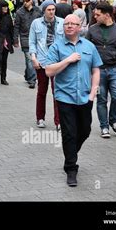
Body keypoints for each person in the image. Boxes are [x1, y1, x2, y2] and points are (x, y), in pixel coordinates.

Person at [45, 14, 102, 187]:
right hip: (65, 97)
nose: (69, 26)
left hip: (85, 97)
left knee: (84, 130)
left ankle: (71, 154)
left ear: (80, 27)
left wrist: (93, 93)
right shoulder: (56, 46)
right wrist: (68, 60)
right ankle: (71, 168)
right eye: (67, 23)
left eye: (73, 24)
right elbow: (49, 71)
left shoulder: (89, 46)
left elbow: (96, 70)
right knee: (69, 133)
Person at [86, 3, 116, 138]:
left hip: (114, 69)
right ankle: (104, 126)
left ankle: (113, 120)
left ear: (107, 15)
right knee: (101, 99)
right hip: (98, 71)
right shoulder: (92, 29)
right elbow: (86, 50)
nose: (95, 16)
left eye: (98, 14)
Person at [29, 0, 64, 130]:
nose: (51, 12)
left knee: (58, 93)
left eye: (53, 9)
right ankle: (40, 118)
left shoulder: (62, 22)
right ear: (43, 10)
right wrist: (33, 58)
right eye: (48, 10)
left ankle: (59, 121)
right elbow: (32, 42)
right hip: (42, 62)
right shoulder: (36, 23)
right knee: (42, 91)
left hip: (57, 63)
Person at [13, 0, 42, 89]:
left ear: (31, 0)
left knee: (30, 61)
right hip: (25, 38)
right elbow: (16, 26)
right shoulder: (19, 12)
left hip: (37, 39)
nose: (24, 3)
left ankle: (27, 75)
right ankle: (32, 80)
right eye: (23, 1)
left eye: (26, 1)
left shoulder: (38, 11)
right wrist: (15, 40)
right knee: (30, 60)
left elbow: (43, 23)